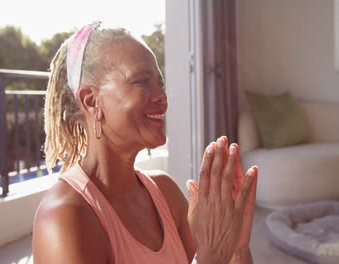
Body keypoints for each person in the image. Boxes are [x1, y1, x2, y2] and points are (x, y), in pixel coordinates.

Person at [32, 22, 258, 264]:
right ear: (91, 101)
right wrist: (212, 256)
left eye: (159, 83)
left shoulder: (166, 192)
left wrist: (236, 249)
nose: (162, 96)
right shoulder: (65, 216)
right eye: (142, 81)